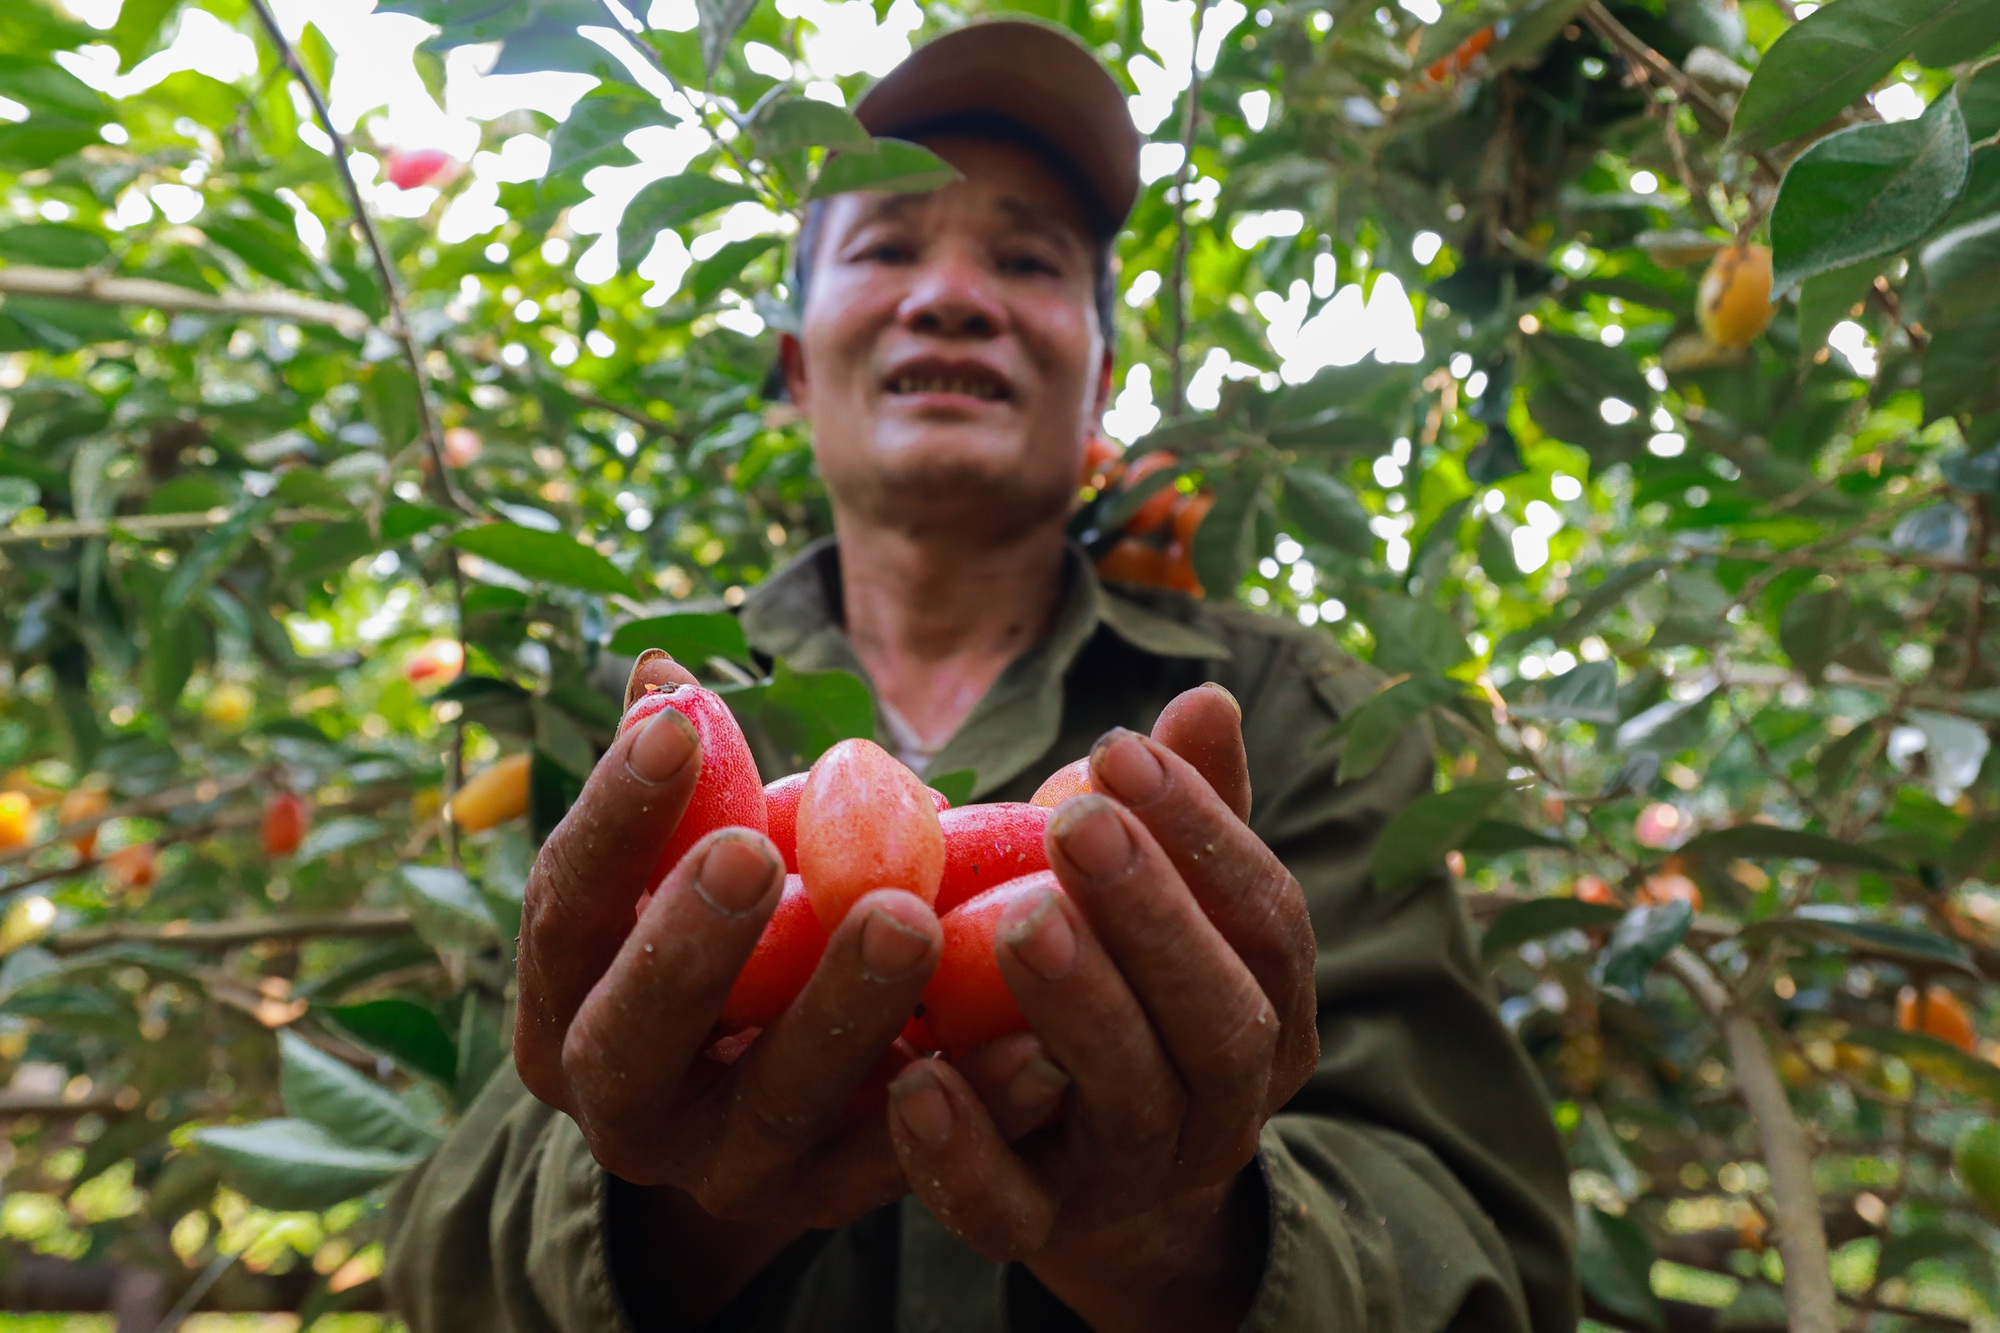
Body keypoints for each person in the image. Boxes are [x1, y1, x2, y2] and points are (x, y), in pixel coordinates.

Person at [384, 20, 1577, 1332]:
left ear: (1099, 387)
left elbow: (1495, 1270)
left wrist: (1189, 1240)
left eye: (1025, 257)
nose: (954, 295)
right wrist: (662, 1193)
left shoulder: (1301, 717)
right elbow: (446, 1255)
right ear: (795, 367)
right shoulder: (639, 719)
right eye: (890, 247)